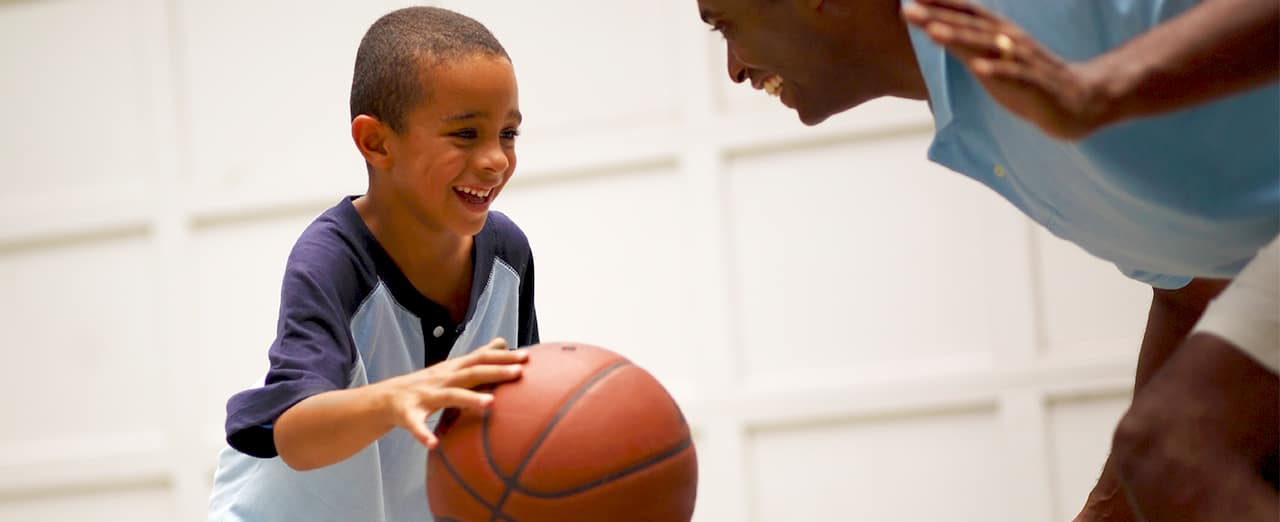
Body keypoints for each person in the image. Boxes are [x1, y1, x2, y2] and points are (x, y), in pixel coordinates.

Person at [693, 0, 1278, 519]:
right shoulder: (986, 113)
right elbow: (1196, 292)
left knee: (1176, 449)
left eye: (725, 24)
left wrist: (1101, 89)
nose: (734, 68)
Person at [207, 7, 537, 521]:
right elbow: (295, 431)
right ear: (376, 142)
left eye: (508, 134)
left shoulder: (508, 257)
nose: (496, 158)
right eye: (467, 134)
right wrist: (397, 396)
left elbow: (525, 417)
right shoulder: (334, 258)